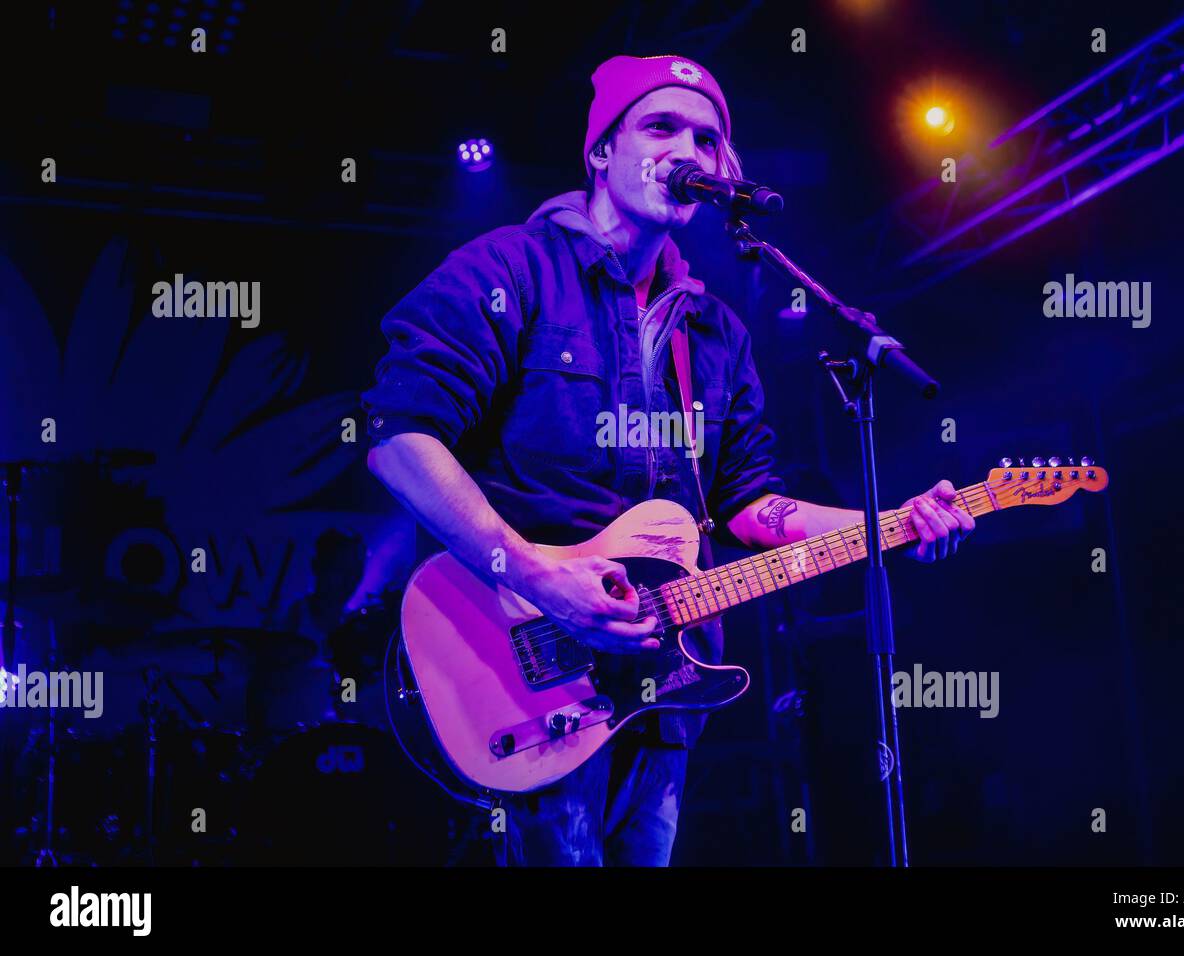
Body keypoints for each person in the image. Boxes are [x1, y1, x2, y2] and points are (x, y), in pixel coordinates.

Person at [362, 54, 974, 866]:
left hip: (660, 690)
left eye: (709, 137)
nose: (690, 150)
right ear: (600, 153)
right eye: (661, 126)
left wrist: (893, 523)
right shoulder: (508, 270)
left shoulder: (715, 331)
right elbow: (399, 438)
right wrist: (538, 576)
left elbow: (751, 502)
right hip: (520, 661)